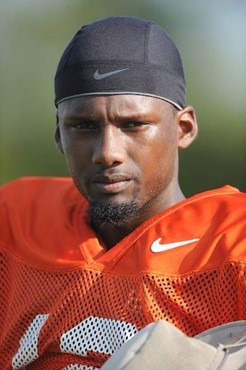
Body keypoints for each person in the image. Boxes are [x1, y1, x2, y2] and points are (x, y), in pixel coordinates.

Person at [0, 16, 245, 370]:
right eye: (83, 126)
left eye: (134, 125)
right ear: (58, 135)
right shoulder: (15, 220)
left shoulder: (235, 246)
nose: (107, 152)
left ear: (184, 129)